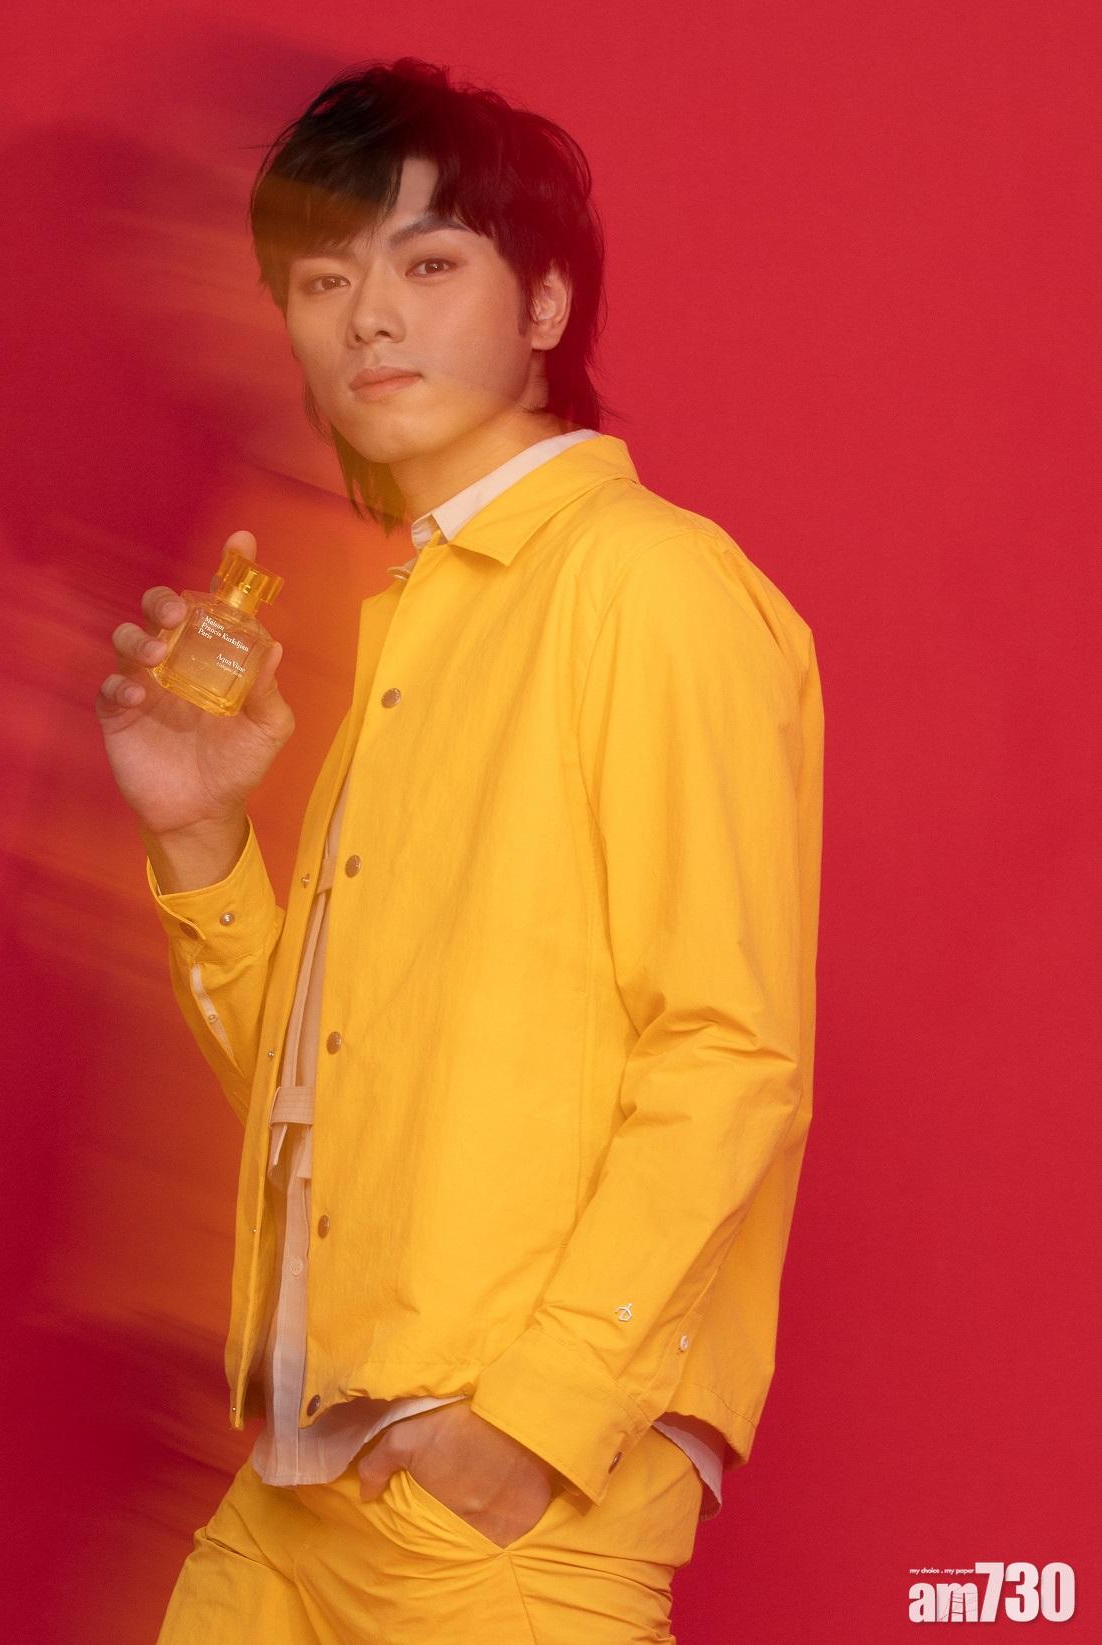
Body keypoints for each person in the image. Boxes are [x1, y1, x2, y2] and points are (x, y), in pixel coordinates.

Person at [96, 56, 824, 1645]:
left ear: (545, 304)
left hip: (492, 1521)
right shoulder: (420, 619)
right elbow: (328, 1102)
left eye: (428, 265)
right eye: (323, 281)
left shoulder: (647, 586)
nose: (370, 316)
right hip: (299, 1481)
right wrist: (202, 834)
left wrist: (531, 1423)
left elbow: (731, 1053)